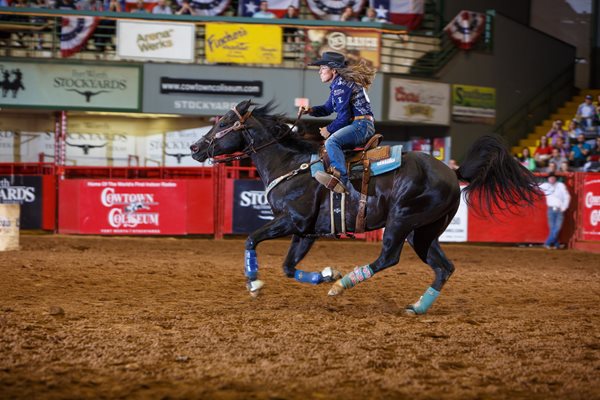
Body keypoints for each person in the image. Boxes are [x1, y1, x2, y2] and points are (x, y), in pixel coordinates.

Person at [302, 51, 376, 193]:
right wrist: (310, 110)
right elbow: (327, 109)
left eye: (323, 68)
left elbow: (343, 117)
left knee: (331, 142)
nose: (319, 72)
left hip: (361, 126)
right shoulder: (339, 85)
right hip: (361, 125)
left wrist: (328, 129)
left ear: (333, 70)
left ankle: (341, 179)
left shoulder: (341, 86)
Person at [539, 172, 571, 250]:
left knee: (556, 228)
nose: (552, 179)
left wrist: (564, 207)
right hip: (551, 209)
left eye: (553, 178)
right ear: (548, 179)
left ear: (556, 179)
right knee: (553, 228)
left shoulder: (560, 185)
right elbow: (534, 185)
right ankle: (556, 245)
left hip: (559, 209)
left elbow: (567, 197)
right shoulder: (546, 185)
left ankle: (547, 243)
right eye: (550, 178)